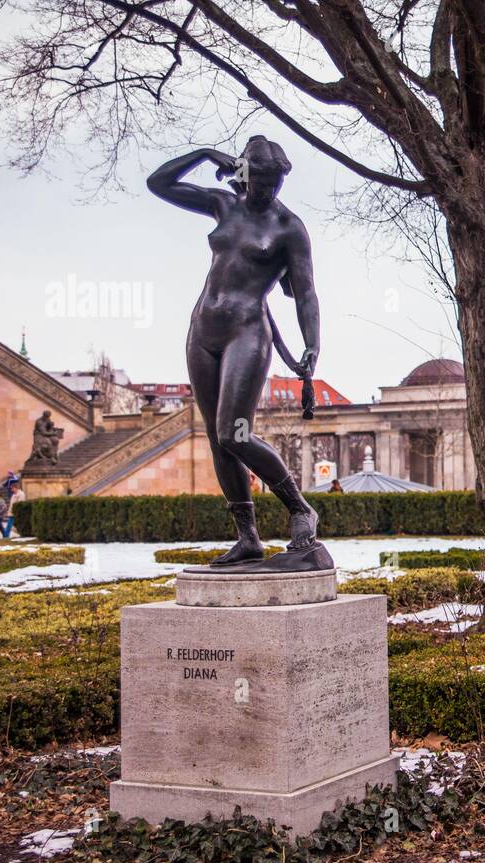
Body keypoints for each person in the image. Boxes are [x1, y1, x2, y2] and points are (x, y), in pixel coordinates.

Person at [148, 136, 326, 568]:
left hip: (248, 332)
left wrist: (311, 345)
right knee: (217, 438)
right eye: (259, 178)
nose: (267, 189)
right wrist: (207, 154)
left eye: (274, 181)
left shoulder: (288, 227)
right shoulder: (224, 205)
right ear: (244, 172)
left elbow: (305, 293)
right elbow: (158, 182)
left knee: (234, 432)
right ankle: (247, 537)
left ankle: (301, 508)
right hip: (202, 331)